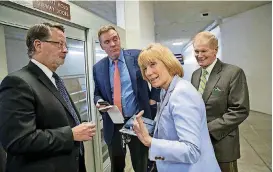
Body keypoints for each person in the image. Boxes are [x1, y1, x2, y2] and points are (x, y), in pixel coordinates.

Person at [0, 23, 96, 172]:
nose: (65, 50)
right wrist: (71, 134)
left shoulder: (55, 79)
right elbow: (18, 140)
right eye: (59, 44)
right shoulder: (17, 83)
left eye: (65, 45)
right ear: (38, 45)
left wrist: (77, 124)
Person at [133, 43, 221, 172]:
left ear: (168, 63)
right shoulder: (166, 90)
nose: (148, 73)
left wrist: (149, 141)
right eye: (145, 68)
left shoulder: (181, 93)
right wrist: (148, 128)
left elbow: (191, 151)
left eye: (153, 64)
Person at [93, 25, 158, 172]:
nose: (113, 44)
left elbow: (156, 74)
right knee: (116, 167)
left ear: (119, 39)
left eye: (115, 39)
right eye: (107, 42)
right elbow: (97, 93)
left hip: (138, 122)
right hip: (113, 123)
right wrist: (98, 102)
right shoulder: (98, 68)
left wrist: (153, 100)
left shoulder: (137, 56)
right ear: (102, 46)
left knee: (141, 165)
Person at [191, 31, 250, 172]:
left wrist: (207, 130)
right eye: (196, 51)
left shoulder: (233, 73)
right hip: (198, 144)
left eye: (204, 51)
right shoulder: (195, 75)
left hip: (222, 144)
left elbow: (240, 110)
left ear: (215, 50)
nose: (199, 55)